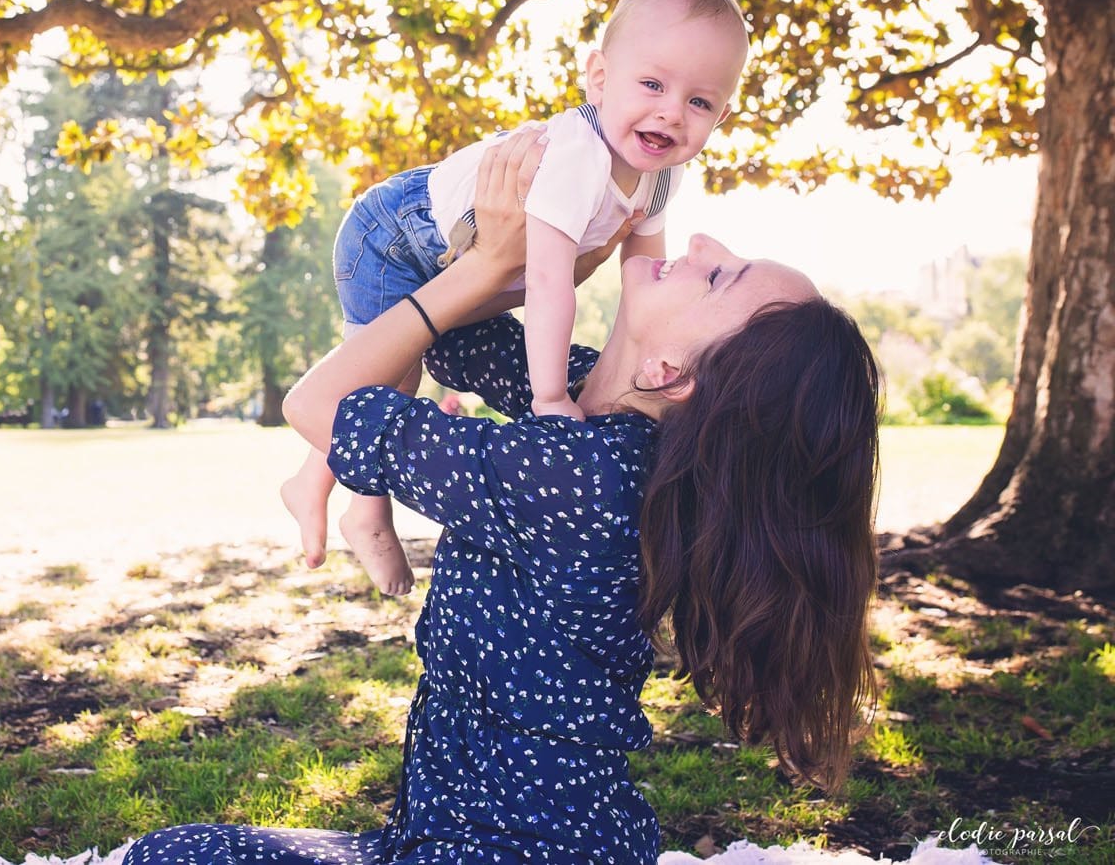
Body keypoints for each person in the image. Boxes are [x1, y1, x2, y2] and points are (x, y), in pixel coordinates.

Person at [124, 127, 881, 863]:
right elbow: (442, 334)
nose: (705, 244)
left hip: (502, 848)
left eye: (720, 276)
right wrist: (519, 239)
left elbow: (316, 403)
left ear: (672, 372)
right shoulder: (590, 414)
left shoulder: (579, 473)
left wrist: (486, 267)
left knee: (172, 856)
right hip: (508, 834)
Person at [281, 0, 751, 597]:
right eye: (653, 84)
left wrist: (631, 384)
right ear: (600, 78)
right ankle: (360, 509)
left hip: (453, 255)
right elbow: (552, 282)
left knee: (387, 378)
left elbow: (642, 280)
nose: (672, 111)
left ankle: (318, 483)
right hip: (396, 232)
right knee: (380, 378)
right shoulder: (575, 157)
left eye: (699, 102)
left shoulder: (660, 175)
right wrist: (552, 396)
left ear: (721, 114)